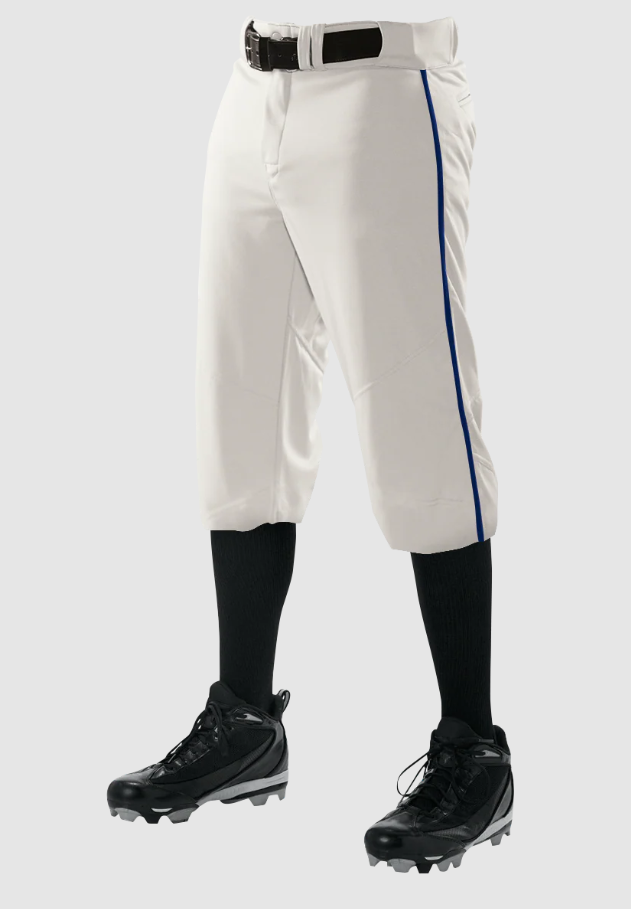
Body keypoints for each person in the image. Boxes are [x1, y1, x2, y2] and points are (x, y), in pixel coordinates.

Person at [107, 17, 513, 874]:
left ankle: (474, 751)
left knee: (416, 413)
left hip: (384, 81)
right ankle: (245, 720)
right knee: (241, 413)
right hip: (254, 87)